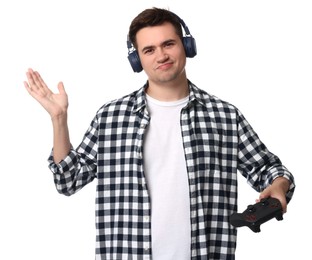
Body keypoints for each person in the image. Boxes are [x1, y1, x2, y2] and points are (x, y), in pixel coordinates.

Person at [24, 7, 295, 260]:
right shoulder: (111, 116)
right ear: (137, 59)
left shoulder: (224, 116)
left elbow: (269, 170)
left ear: (186, 46)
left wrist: (279, 186)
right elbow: (68, 180)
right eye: (149, 49)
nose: (161, 56)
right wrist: (59, 119)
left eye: (168, 44)